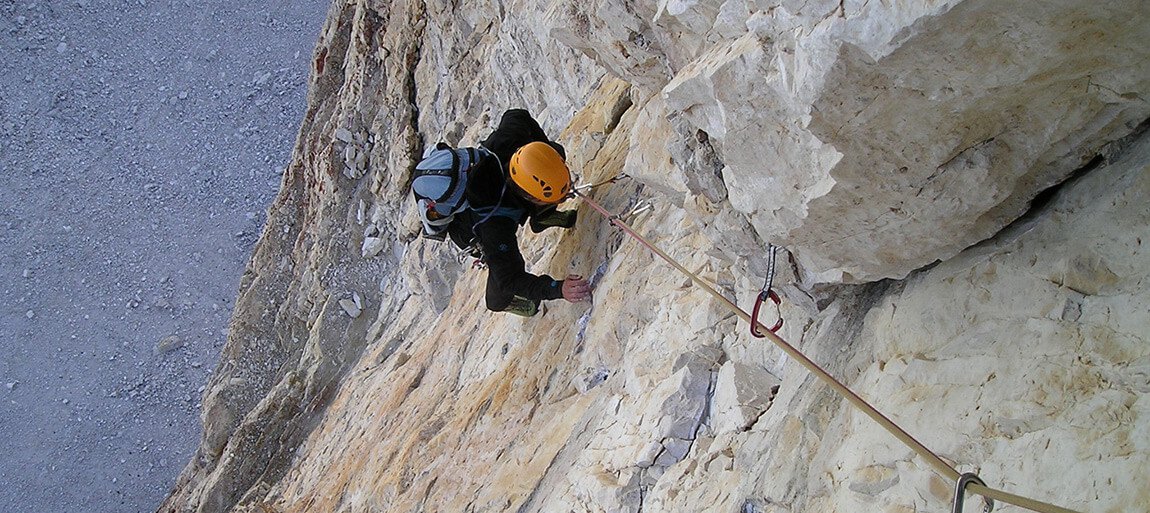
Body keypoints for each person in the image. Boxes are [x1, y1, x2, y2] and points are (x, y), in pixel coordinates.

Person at [410, 109, 592, 316]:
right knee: (499, 286)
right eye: (549, 198)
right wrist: (557, 289)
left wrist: (542, 149)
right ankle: (505, 304)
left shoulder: (510, 140)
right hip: (469, 226)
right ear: (529, 196)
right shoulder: (494, 225)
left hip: (504, 187)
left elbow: (517, 114)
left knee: (553, 150)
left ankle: (543, 217)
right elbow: (509, 279)